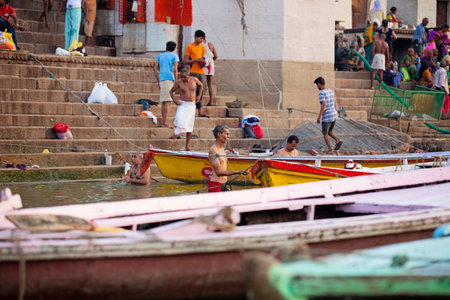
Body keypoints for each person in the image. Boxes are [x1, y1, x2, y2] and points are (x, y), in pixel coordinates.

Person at [208, 125, 249, 193]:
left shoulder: (222, 149)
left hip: (223, 184)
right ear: (219, 134)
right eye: (226, 134)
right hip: (216, 185)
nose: (228, 137)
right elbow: (218, 172)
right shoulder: (213, 150)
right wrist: (238, 172)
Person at [170, 67, 203, 151]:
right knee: (178, 119)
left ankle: (187, 145)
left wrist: (199, 96)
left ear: (189, 75)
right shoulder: (178, 82)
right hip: (183, 104)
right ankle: (176, 133)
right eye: (182, 77)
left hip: (191, 104)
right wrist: (175, 100)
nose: (183, 79)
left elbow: (201, 85)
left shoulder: (194, 80)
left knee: (190, 125)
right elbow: (171, 91)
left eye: (185, 77)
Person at [314, 77, 343, 154]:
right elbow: (333, 103)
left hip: (327, 116)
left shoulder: (321, 93)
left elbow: (323, 105)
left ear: (319, 84)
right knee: (330, 131)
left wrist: (319, 116)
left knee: (325, 133)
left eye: (317, 85)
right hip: (333, 114)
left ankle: (330, 149)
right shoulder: (331, 91)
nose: (317, 87)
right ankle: (338, 140)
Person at [154, 41, 179, 128]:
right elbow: (175, 69)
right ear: (174, 49)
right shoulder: (174, 56)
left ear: (166, 47)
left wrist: (158, 80)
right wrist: (176, 81)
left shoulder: (160, 56)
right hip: (169, 79)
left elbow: (155, 68)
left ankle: (163, 122)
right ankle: (164, 123)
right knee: (167, 102)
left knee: (164, 101)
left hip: (162, 79)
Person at [184, 30, 208, 117]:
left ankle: (200, 111)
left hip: (201, 72)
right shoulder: (189, 47)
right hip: (193, 72)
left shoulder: (202, 48)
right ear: (196, 37)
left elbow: (202, 58)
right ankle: (191, 111)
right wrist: (195, 60)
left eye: (202, 38)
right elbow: (185, 61)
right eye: (200, 38)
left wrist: (203, 62)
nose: (201, 40)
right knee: (192, 91)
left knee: (201, 91)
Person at [202, 35, 218, 106]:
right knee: (210, 84)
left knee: (202, 83)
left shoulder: (200, 45)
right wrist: (211, 61)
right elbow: (216, 56)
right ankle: (211, 101)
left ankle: (201, 101)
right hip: (211, 64)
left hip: (204, 63)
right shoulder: (210, 44)